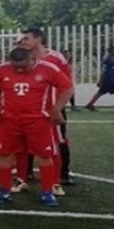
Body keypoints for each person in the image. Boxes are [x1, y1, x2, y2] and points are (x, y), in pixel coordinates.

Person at [0, 48, 73, 207]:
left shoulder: (48, 68)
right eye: (15, 66)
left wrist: (56, 108)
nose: (19, 69)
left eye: (23, 66)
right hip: (9, 121)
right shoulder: (1, 69)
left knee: (44, 155)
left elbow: (67, 87)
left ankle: (47, 192)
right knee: (5, 154)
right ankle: (4, 190)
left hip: (38, 121)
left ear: (31, 58)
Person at [17, 28, 74, 193]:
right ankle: (25, 173)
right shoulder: (23, 58)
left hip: (53, 108)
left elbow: (67, 83)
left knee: (59, 141)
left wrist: (59, 106)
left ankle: (63, 174)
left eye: (26, 38)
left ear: (39, 39)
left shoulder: (56, 58)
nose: (23, 42)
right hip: (31, 109)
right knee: (26, 140)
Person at [85, 46, 114, 111]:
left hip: (109, 79)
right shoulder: (108, 59)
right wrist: (100, 81)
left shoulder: (110, 58)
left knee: (100, 92)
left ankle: (89, 104)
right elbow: (104, 70)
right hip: (109, 79)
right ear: (110, 51)